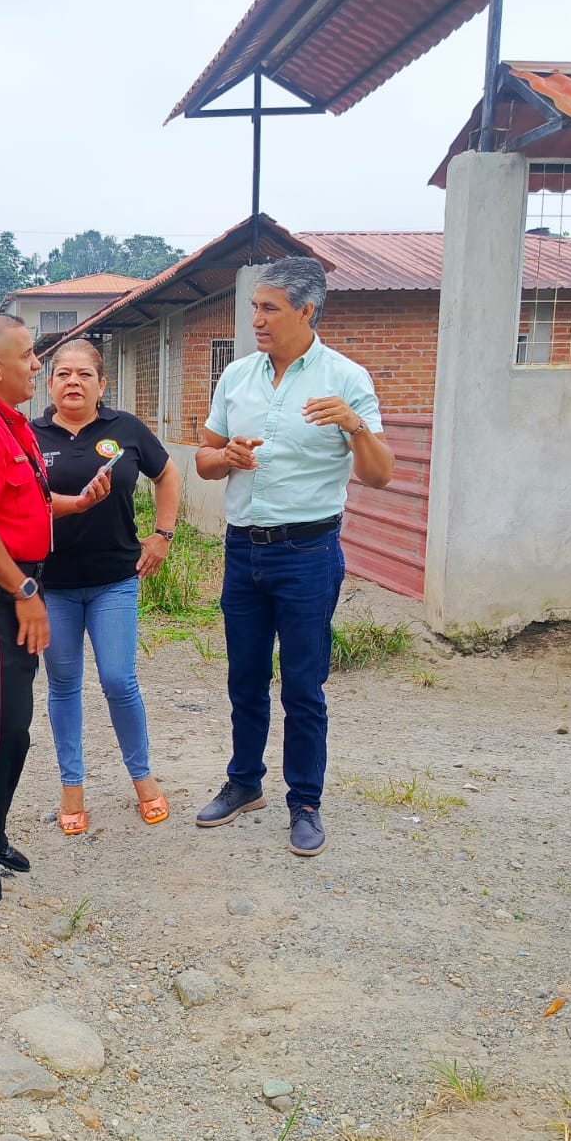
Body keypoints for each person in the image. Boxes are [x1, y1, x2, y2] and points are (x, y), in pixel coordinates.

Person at [194, 256, 393, 856]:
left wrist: (354, 426)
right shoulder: (237, 376)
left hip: (307, 553)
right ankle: (244, 783)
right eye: (254, 307)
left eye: (269, 308)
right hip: (243, 551)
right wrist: (226, 456)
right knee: (245, 678)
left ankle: (304, 801)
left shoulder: (345, 378)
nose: (256, 319)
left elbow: (380, 475)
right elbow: (203, 460)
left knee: (303, 685)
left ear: (306, 311)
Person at [0, 314, 109, 902]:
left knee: (4, 716)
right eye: (31, 355)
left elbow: (26, 503)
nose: (39, 365)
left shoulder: (10, 424)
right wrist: (25, 593)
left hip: (10, 587)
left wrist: (77, 503)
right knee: (8, 721)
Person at [31, 338, 180, 834]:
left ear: (102, 384)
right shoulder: (29, 436)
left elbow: (167, 475)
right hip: (53, 584)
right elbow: (19, 502)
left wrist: (162, 535)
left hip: (115, 581)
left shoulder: (126, 429)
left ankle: (142, 777)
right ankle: (72, 787)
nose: (73, 382)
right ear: (49, 384)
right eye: (63, 374)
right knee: (63, 684)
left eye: (84, 374)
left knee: (119, 680)